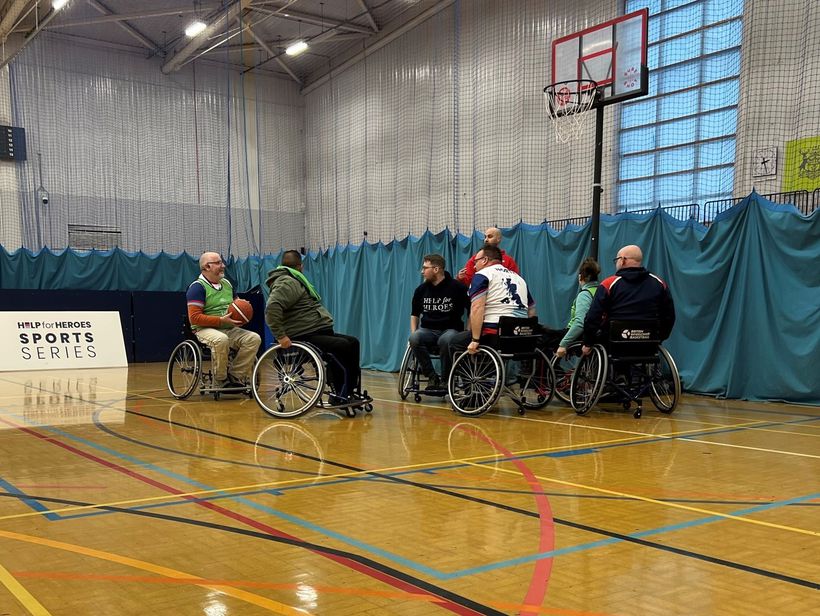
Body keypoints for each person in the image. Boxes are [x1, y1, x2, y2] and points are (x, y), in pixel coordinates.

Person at [264, 250, 363, 403]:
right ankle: (339, 394)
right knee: (341, 347)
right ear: (300, 266)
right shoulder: (287, 282)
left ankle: (349, 390)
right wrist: (281, 336)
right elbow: (272, 309)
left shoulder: (293, 279)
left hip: (315, 330)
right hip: (304, 335)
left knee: (353, 342)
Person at [445, 244, 536, 378]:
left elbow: (476, 308)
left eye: (475, 261)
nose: (474, 266)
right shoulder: (519, 279)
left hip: (495, 334)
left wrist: (475, 339)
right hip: (521, 337)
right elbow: (532, 311)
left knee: (454, 342)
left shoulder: (483, 275)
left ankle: (470, 386)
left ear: (485, 260)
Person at [582, 245, 675, 355]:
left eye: (616, 260)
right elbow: (669, 316)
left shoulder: (609, 284)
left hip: (613, 343)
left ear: (622, 260)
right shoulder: (659, 283)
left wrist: (588, 343)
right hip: (648, 342)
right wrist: (660, 338)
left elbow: (593, 316)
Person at [186, 252, 261, 388]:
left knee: (254, 338)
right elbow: (194, 318)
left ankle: (235, 376)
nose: (223, 266)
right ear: (207, 267)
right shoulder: (197, 288)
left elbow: (236, 304)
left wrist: (243, 310)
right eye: (219, 263)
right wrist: (221, 320)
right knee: (221, 339)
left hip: (227, 327)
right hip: (204, 329)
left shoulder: (226, 284)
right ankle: (221, 379)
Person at [409, 254, 469, 391]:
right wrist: (414, 333)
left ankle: (445, 379)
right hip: (428, 330)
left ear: (436, 269)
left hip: (451, 329)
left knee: (446, 339)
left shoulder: (457, 288)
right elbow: (414, 314)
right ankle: (431, 376)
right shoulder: (421, 290)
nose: (422, 271)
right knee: (414, 338)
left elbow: (472, 310)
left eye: (425, 268)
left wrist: (467, 332)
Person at [540, 257, 601, 357]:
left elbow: (579, 323)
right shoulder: (600, 291)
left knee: (542, 338)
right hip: (593, 334)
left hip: (578, 336)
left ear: (580, 277)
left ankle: (551, 370)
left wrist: (563, 344)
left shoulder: (585, 295)